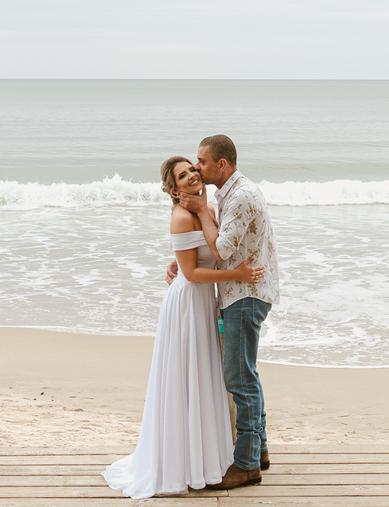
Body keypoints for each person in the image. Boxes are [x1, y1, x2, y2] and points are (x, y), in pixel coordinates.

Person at [102, 155, 265, 499]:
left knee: (206, 379)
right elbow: (191, 273)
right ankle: (184, 462)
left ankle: (210, 456)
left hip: (204, 304)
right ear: (173, 189)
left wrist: (180, 255)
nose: (192, 174)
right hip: (189, 304)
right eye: (183, 174)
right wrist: (234, 275)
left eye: (193, 168)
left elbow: (212, 247)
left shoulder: (202, 211)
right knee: (187, 379)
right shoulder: (180, 217)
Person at [168, 134, 281, 491]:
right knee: (246, 374)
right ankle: (258, 449)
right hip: (243, 293)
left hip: (245, 295)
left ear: (221, 164)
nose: (197, 168)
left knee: (239, 379)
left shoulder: (240, 196)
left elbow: (220, 250)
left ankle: (247, 465)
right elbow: (208, 246)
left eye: (201, 161)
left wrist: (201, 211)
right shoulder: (229, 194)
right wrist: (180, 259)